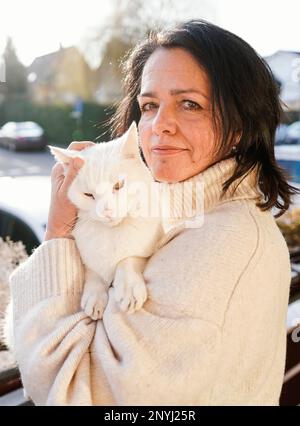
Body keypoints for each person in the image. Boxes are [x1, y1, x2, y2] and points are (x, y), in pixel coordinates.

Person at [6, 19, 297, 406]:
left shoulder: (222, 245)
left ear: (241, 125)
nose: (159, 125)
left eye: (190, 104)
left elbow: (75, 389)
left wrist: (59, 233)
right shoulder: (190, 213)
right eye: (149, 105)